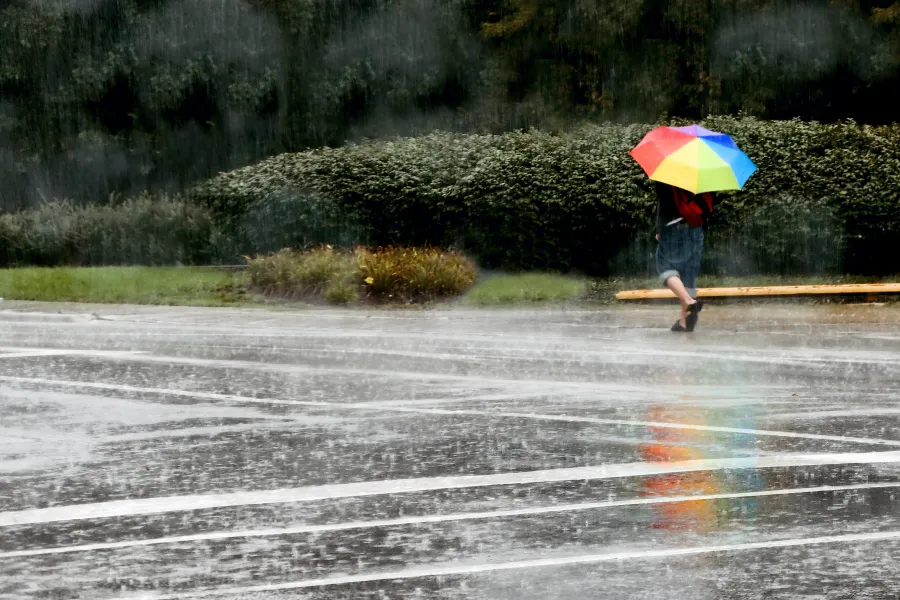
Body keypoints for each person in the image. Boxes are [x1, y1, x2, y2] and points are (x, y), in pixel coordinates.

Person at [654, 181, 714, 332]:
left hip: (674, 227)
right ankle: (685, 321)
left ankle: (688, 301)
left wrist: (659, 228)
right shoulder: (701, 174)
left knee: (665, 267)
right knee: (688, 273)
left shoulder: (668, 176)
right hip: (696, 228)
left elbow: (663, 204)